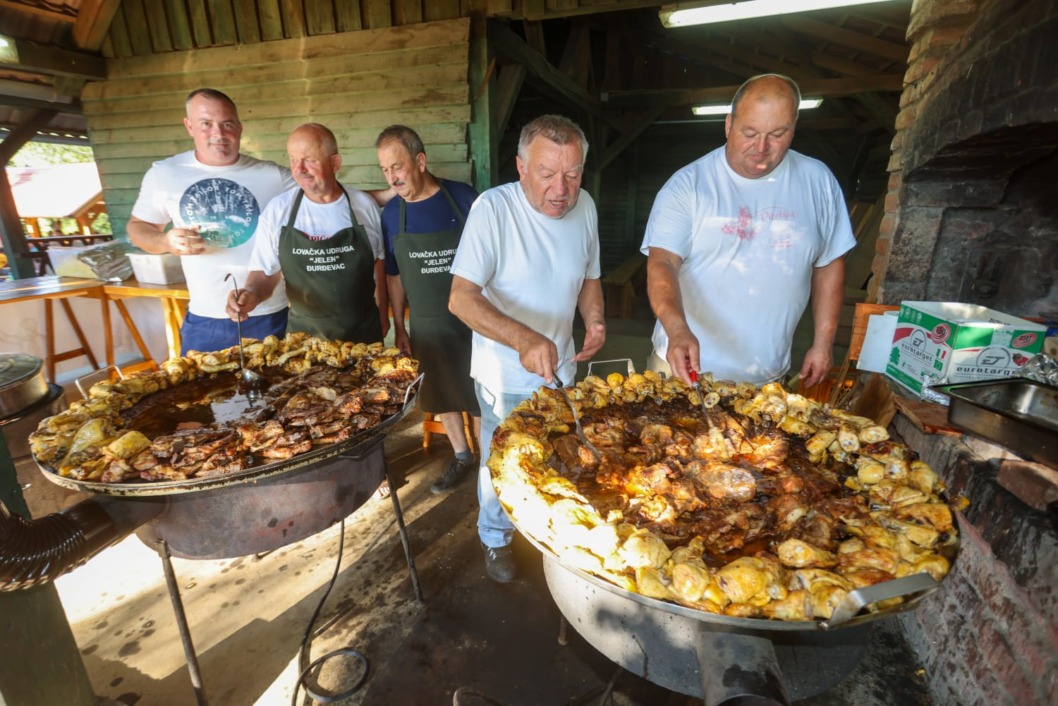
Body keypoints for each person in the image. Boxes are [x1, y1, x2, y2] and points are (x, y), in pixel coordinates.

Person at [449, 115, 606, 583]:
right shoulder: (492, 209)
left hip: (562, 371)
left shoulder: (587, 207)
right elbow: (461, 298)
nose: (561, 189)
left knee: (558, 458)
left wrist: (594, 319)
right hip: (505, 376)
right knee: (502, 464)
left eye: (573, 174)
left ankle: (554, 540)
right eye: (546, 174)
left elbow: (589, 278)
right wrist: (524, 338)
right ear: (520, 168)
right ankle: (495, 540)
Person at [642, 74, 856, 389]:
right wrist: (676, 329)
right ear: (729, 125)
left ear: (794, 128)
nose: (761, 147)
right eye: (750, 133)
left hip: (768, 379)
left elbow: (828, 265)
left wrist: (824, 343)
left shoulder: (818, 181)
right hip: (684, 372)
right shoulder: (688, 185)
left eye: (777, 134)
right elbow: (662, 263)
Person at [127, 88, 296, 354]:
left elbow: (325, 193)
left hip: (269, 314)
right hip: (205, 318)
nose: (218, 133)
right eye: (206, 124)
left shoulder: (272, 176)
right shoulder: (164, 174)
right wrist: (165, 241)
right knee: (199, 394)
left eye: (227, 124)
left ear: (239, 128)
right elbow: (137, 229)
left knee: (281, 394)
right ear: (189, 126)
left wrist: (384, 195)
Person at [376, 125, 482, 495]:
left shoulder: (464, 199)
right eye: (385, 171)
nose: (392, 177)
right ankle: (462, 457)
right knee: (443, 396)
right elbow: (394, 275)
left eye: (398, 167)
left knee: (478, 398)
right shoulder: (392, 215)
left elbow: (492, 256)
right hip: (427, 326)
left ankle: (488, 468)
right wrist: (399, 328)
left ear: (420, 161)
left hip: (475, 322)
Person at [226, 123, 388, 344]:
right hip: (303, 344)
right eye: (293, 159)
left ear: (335, 163)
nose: (299, 169)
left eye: (309, 160)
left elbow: (380, 264)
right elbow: (264, 273)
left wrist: (383, 314)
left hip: (362, 338)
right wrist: (250, 294)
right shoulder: (278, 211)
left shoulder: (364, 205)